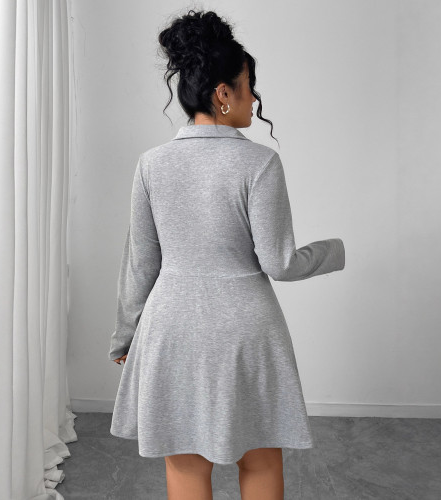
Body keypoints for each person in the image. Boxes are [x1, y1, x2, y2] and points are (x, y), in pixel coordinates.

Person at [108, 9, 345, 500]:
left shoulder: (152, 164)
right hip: (245, 331)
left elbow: (141, 263)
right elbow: (280, 263)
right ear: (223, 94)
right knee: (258, 459)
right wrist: (333, 251)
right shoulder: (260, 162)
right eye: (249, 86)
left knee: (185, 464)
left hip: (171, 328)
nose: (254, 98)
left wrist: (125, 337)